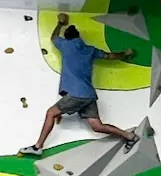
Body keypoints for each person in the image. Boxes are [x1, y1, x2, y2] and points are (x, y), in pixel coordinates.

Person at [22, 12, 139, 155]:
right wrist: (124, 53)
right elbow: (109, 56)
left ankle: (37, 147)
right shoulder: (90, 50)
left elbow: (53, 38)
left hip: (76, 94)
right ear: (79, 37)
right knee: (96, 126)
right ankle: (129, 136)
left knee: (51, 113)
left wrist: (60, 23)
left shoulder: (66, 45)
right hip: (89, 95)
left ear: (67, 38)